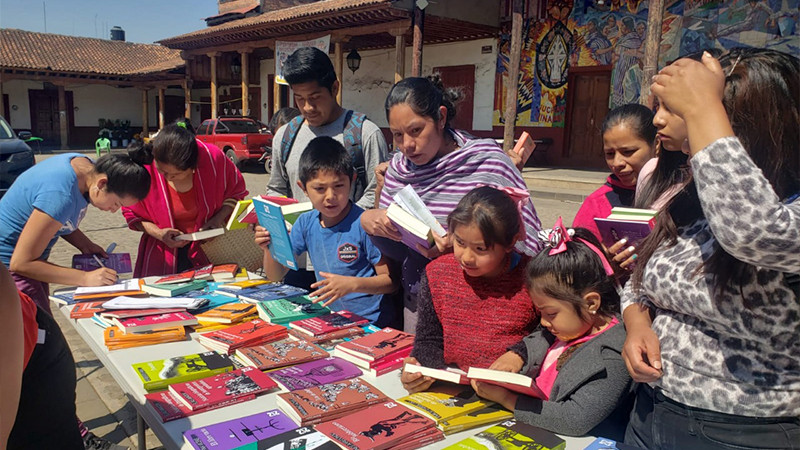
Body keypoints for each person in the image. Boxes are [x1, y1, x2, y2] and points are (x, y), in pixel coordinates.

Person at [622, 49, 800, 448]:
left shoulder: (776, 210)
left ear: (742, 118)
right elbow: (639, 281)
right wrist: (637, 324)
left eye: (676, 107)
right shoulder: (693, 196)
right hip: (652, 412)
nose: (658, 120)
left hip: (747, 430)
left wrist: (703, 107)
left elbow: (753, 234)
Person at [361, 76, 543, 333]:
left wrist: (460, 247)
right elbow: (396, 251)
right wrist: (371, 221)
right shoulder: (398, 171)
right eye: (397, 135)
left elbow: (527, 243)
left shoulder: (487, 162)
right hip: (420, 300)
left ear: (441, 117)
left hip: (486, 302)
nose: (407, 145)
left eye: (416, 130)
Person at [471, 219, 633, 440]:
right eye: (541, 313)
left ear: (591, 303)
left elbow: (575, 419)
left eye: (550, 313)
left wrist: (507, 399)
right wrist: (517, 355)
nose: (544, 323)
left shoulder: (612, 354)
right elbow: (540, 339)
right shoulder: (568, 330)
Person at [400, 187, 539, 393]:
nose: (466, 257)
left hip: (511, 394)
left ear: (510, 242)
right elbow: (429, 339)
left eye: (480, 249)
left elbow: (550, 332)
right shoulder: (437, 274)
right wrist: (418, 370)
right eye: (460, 242)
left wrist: (520, 353)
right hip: (455, 389)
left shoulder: (534, 278)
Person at [257, 136, 396, 326]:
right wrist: (269, 248)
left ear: (352, 180)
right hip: (332, 321)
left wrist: (352, 284)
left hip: (371, 322)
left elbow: (391, 281)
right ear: (303, 188)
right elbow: (276, 275)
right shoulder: (305, 223)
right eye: (320, 189)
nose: (330, 196)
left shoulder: (364, 224)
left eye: (338, 186)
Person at [0, 152, 151, 314]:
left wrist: (85, 245)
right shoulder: (60, 195)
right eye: (116, 203)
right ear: (102, 183)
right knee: (34, 326)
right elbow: (21, 263)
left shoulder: (85, 167)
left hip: (29, 260)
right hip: (10, 267)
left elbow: (57, 218)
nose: (114, 210)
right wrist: (85, 278)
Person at [266, 47, 388, 210]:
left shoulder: (365, 134)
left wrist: (340, 222)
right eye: (300, 99)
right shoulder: (284, 136)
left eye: (315, 97)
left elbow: (377, 191)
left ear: (335, 88)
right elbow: (276, 189)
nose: (308, 107)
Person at [122, 123, 248, 277]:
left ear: (193, 167)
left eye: (175, 174)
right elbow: (131, 212)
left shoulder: (213, 160)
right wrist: (158, 233)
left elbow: (235, 193)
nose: (168, 178)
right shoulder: (146, 166)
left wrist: (217, 219)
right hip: (162, 254)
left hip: (211, 251)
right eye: (162, 171)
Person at [0, 262, 84, 449]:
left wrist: (85, 276)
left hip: (29, 336)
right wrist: (85, 277)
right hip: (21, 289)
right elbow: (21, 263)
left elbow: (20, 262)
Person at [572, 104, 656, 242]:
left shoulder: (679, 194)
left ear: (656, 145)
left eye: (628, 152)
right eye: (610, 154)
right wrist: (603, 253)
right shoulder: (596, 205)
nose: (617, 163)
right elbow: (580, 252)